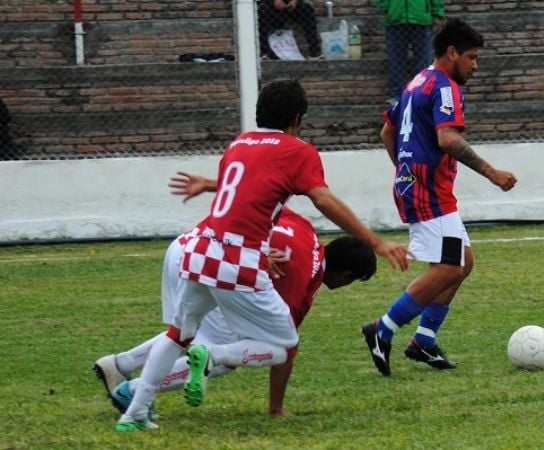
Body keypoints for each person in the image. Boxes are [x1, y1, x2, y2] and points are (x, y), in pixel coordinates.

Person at [114, 79, 409, 431]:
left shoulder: (240, 143)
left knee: (177, 334)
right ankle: (213, 356)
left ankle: (134, 413)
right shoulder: (298, 151)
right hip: (239, 260)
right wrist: (376, 241)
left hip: (201, 248)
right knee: (284, 344)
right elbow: (323, 200)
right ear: (297, 118)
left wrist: (206, 184)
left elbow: (243, 189)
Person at [94, 202, 377, 418]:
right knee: (222, 356)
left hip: (190, 246)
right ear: (347, 275)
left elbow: (261, 204)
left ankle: (120, 365)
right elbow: (284, 351)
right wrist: (276, 409)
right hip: (219, 263)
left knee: (186, 332)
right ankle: (133, 391)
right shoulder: (302, 288)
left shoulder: (303, 226)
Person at [361, 18, 517, 376]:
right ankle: (381, 329)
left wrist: (403, 167)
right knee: (448, 267)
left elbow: (387, 132)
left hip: (420, 186)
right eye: (472, 57)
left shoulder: (418, 81)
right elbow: (448, 139)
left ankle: (424, 342)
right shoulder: (445, 87)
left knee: (463, 261)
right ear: (452, 53)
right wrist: (492, 173)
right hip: (428, 190)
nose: (475, 66)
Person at [375, 0, 445, 105]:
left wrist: (437, 13)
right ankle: (397, 97)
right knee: (396, 61)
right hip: (396, 20)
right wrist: (388, 8)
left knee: (423, 62)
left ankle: (422, 95)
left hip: (420, 19)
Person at [259, 0, 323, 60]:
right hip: (271, 6)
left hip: (292, 6)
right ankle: (265, 52)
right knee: (263, 9)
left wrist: (295, 1)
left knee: (307, 8)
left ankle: (314, 51)